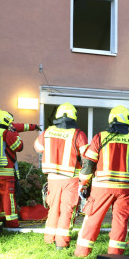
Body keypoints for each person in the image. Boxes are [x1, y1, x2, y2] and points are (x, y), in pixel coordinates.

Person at [74, 105, 129, 257]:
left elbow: (88, 164)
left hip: (102, 187)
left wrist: (83, 184)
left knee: (93, 217)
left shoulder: (100, 137)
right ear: (127, 121)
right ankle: (115, 255)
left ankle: (82, 253)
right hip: (126, 189)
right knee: (121, 221)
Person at [34, 102, 89, 249]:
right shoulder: (78, 134)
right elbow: (87, 156)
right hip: (70, 178)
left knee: (53, 209)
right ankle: (62, 243)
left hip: (52, 178)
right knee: (67, 210)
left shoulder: (47, 132)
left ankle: (49, 238)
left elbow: (38, 148)